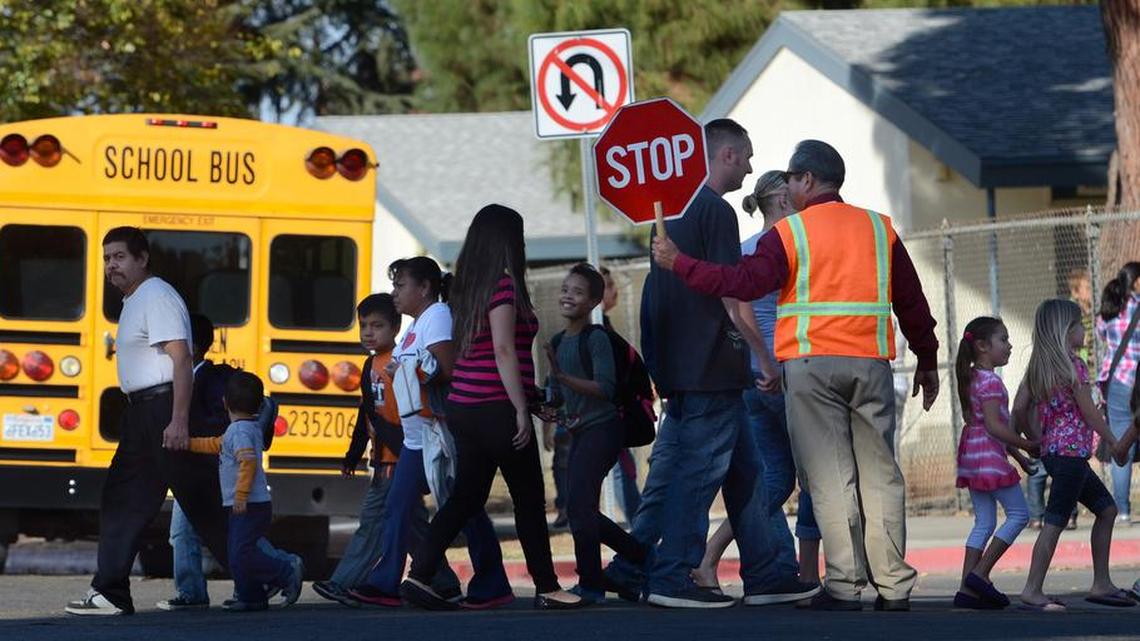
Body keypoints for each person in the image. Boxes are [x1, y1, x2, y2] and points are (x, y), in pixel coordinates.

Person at [652, 139, 941, 611]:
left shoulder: (791, 233)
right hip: (870, 364)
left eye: (790, 179)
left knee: (830, 478)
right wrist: (927, 361)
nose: (787, 187)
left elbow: (741, 283)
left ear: (807, 179)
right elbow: (911, 301)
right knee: (881, 474)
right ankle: (894, 586)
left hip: (811, 368)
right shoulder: (878, 228)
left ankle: (846, 585)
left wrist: (679, 263)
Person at [611, 120, 817, 610]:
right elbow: (732, 290)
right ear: (725, 155)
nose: (749, 165)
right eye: (745, 156)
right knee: (698, 476)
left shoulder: (669, 217)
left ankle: (766, 572)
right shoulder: (715, 212)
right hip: (711, 368)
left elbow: (657, 296)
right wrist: (761, 356)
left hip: (683, 369)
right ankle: (671, 573)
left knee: (746, 473)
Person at [399, 205, 582, 610]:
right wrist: (520, 408)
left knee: (465, 497)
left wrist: (532, 400)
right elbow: (502, 351)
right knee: (529, 499)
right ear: (507, 241)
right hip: (496, 407)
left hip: (466, 406)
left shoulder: (464, 290)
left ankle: (421, 573)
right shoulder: (501, 287)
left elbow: (484, 355)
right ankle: (548, 587)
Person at [66, 227, 229, 616]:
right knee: (125, 498)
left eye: (119, 257)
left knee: (203, 502)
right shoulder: (135, 300)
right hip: (143, 412)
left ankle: (267, 574)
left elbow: (182, 360)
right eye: (107, 258)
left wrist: (178, 420)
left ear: (142, 259)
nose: (111, 266)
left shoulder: (157, 296)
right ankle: (111, 593)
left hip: (163, 408)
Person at [350, 259, 512, 608]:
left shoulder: (436, 315)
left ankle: (492, 581)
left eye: (400, 285)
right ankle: (386, 582)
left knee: (463, 508)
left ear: (424, 287)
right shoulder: (415, 325)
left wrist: (409, 369)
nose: (394, 293)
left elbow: (447, 367)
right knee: (398, 506)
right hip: (415, 436)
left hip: (437, 432)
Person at [691, 171, 821, 593]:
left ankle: (715, 559)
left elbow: (733, 311)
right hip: (785, 374)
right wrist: (773, 364)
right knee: (817, 474)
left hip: (750, 378)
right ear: (783, 200)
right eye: (797, 194)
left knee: (774, 480)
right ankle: (806, 574)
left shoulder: (745, 249)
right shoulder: (791, 249)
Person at [1012, 299, 1133, 610]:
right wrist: (1114, 440)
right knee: (1055, 521)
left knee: (1106, 510)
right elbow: (1090, 412)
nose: (1084, 331)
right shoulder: (1073, 365)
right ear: (1066, 331)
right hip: (1070, 456)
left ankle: (1101, 583)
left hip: (1057, 453)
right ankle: (1032, 588)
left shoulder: (1039, 366)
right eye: (1080, 325)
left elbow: (1019, 409)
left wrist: (1033, 438)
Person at [543, 263, 649, 605]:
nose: (567, 296)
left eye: (576, 292)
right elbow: (557, 395)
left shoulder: (597, 337)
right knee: (579, 508)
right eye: (564, 289)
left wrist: (562, 377)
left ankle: (591, 584)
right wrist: (544, 403)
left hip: (604, 428)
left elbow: (605, 388)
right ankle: (638, 557)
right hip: (579, 431)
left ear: (593, 302)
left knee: (579, 506)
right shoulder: (558, 342)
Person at [157, 314, 279, 611]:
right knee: (183, 531)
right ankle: (191, 592)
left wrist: (194, 434)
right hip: (191, 468)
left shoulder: (212, 381)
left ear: (193, 347)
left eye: (170, 342)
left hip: (211, 472)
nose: (163, 349)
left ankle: (277, 569)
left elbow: (230, 424)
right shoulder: (188, 377)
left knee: (229, 533)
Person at [311, 294, 406, 606]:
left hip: (397, 458)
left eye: (377, 326)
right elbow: (367, 411)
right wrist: (355, 452)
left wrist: (402, 452)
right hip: (381, 460)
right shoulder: (369, 365)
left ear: (396, 326)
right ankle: (441, 581)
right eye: (363, 325)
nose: (368, 332)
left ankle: (344, 581)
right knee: (413, 527)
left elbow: (405, 415)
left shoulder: (398, 364)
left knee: (372, 522)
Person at [187, 371, 303, 612]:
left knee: (241, 554)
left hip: (250, 504)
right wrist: (187, 444)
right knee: (237, 554)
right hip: (248, 504)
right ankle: (251, 596)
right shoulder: (243, 429)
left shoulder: (240, 432)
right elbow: (214, 444)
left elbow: (247, 463)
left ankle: (285, 571)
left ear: (225, 403)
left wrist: (240, 496)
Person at [951, 317, 1034, 610]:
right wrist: (1027, 444)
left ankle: (966, 590)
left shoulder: (972, 377)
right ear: (983, 346)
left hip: (973, 457)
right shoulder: (991, 382)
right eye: (1004, 339)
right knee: (1019, 514)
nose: (1009, 346)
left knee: (984, 521)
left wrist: (1020, 458)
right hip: (988, 457)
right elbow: (995, 427)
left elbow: (991, 427)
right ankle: (980, 574)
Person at [1096, 262, 1140, 525]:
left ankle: (1122, 509)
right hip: (1138, 377)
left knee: (1122, 443)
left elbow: (1102, 334)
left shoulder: (1110, 309)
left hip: (1118, 382)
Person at [600, 265, 642, 524]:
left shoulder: (605, 325)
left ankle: (640, 528)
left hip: (618, 409)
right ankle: (640, 529)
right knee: (619, 471)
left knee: (624, 469)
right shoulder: (596, 328)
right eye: (607, 285)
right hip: (605, 412)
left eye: (611, 284)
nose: (612, 291)